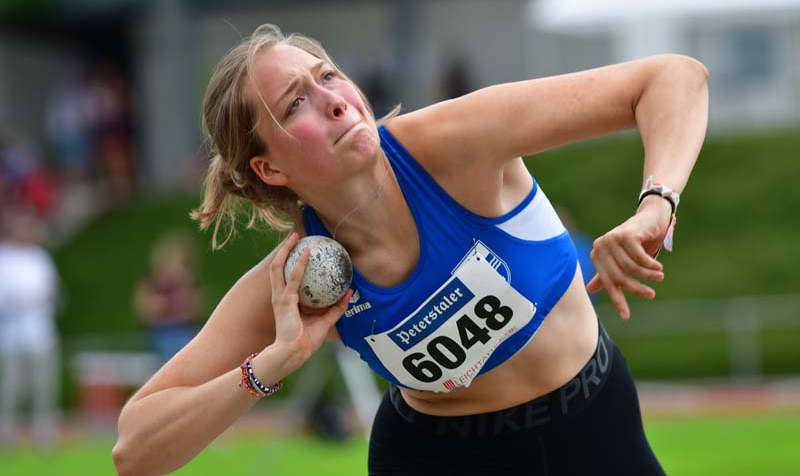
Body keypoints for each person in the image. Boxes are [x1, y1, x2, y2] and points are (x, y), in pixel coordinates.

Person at [113, 24, 708, 475]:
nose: (335, 99)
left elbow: (672, 78)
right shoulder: (300, 280)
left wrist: (656, 206)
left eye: (327, 76)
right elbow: (135, 451)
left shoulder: (453, 145)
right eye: (295, 104)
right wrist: (270, 366)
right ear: (268, 167)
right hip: (438, 458)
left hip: (594, 426)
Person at [0, 208, 62, 448]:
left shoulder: (40, 257)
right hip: (11, 335)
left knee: (44, 387)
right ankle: (6, 434)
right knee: (12, 387)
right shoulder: (4, 257)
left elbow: (53, 288)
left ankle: (44, 434)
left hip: (42, 334)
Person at [133, 230, 203, 365]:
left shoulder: (185, 281)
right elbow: (146, 307)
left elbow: (193, 307)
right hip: (163, 331)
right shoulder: (153, 280)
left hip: (183, 329)